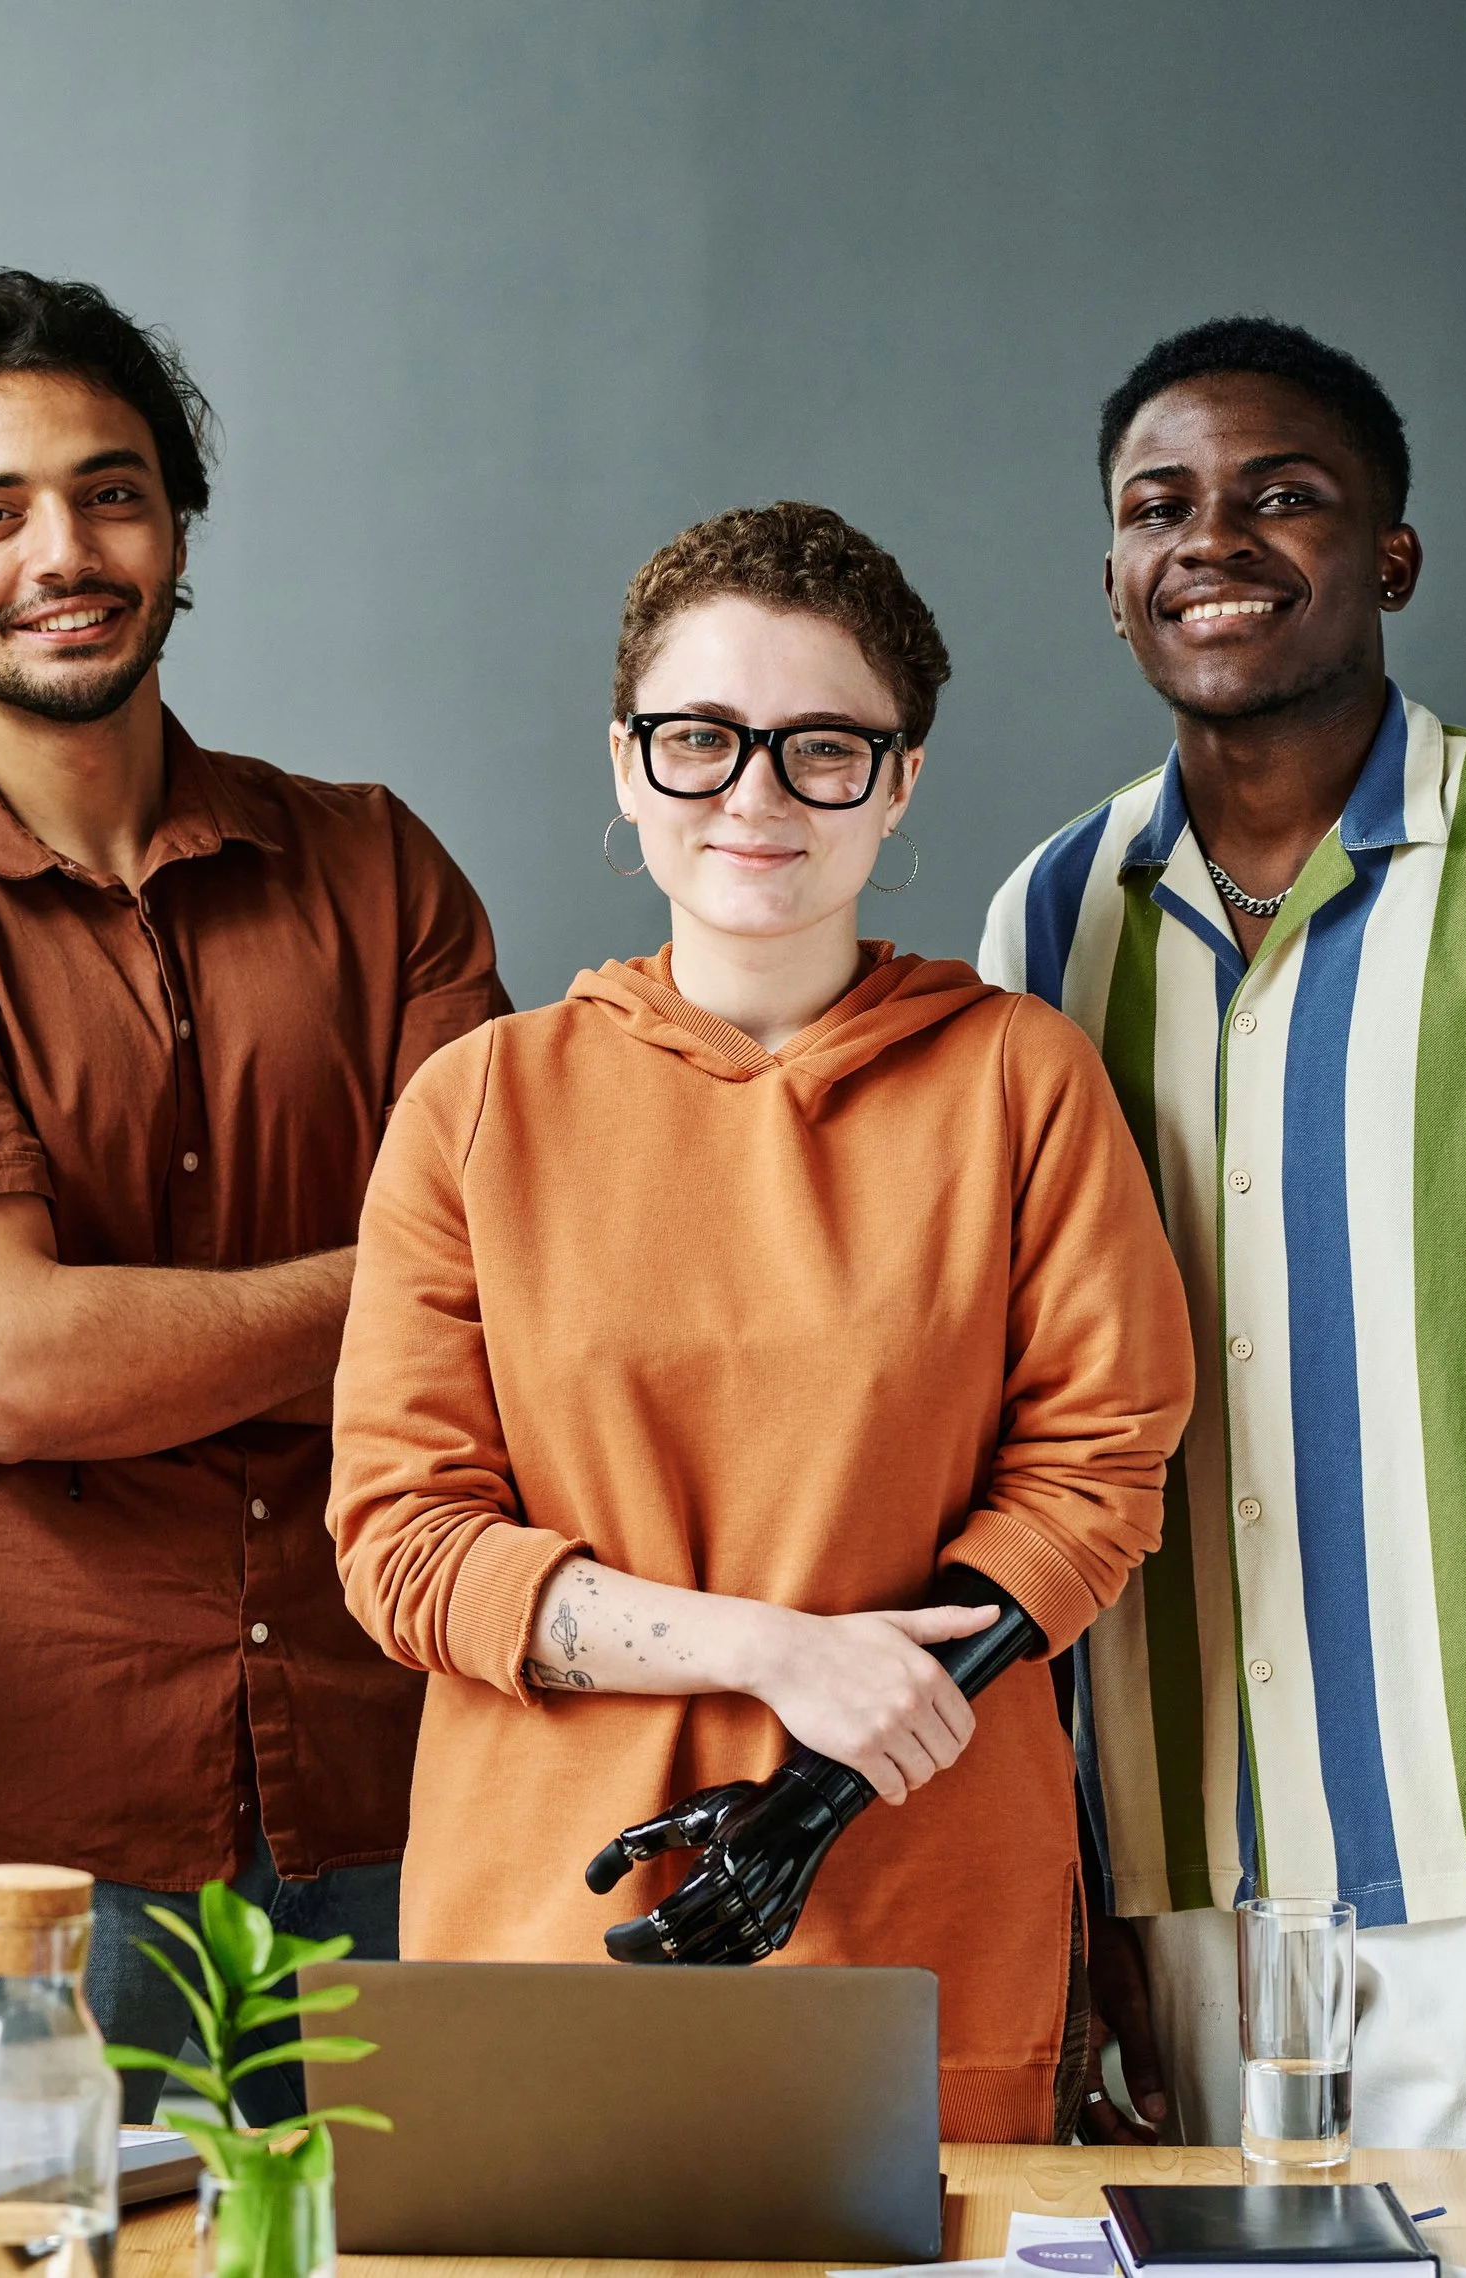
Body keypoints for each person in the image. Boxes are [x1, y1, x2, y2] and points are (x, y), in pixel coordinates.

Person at [0, 269, 508, 2120]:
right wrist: (379, 1293)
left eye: (112, 491)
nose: (62, 549)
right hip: (9, 1825)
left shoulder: (377, 868)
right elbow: (11, 1364)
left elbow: (520, 1305)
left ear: (174, 526)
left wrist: (58, 1360)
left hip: (393, 1764)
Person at [326, 501, 1193, 2141]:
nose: (756, 796)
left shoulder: (1021, 1081)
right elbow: (402, 1544)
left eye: (823, 748)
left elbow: (1097, 1470)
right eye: (703, 738)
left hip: (919, 1915)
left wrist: (829, 1784)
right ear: (625, 761)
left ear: (902, 779)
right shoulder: (478, 1107)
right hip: (543, 1922)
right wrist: (769, 1653)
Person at [982, 315, 1466, 2270]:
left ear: (1389, 559)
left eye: (1281, 494)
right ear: (1107, 582)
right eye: (1156, 507)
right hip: (1169, 1896)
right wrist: (1071, 1899)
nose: (1213, 540)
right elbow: (1017, 1435)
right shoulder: (1045, 919)